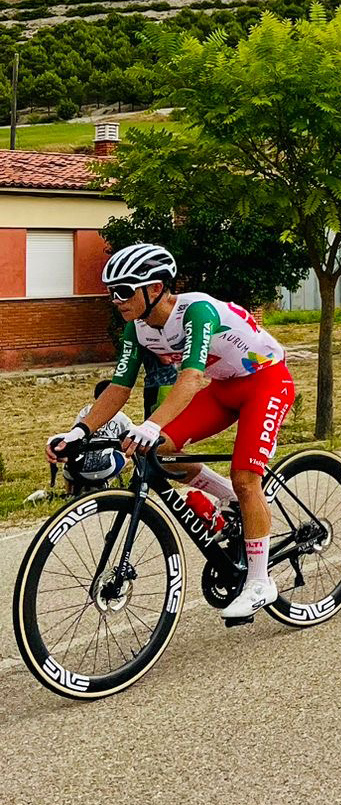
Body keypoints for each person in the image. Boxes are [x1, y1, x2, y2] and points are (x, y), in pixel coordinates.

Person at [45, 243, 296, 619]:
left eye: (124, 290)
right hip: (224, 388)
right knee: (158, 453)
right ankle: (231, 501)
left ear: (156, 288)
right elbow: (118, 387)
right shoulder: (137, 329)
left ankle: (260, 582)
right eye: (110, 292)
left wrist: (151, 423)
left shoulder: (196, 310)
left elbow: (192, 377)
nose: (116, 299)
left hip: (265, 381)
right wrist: (79, 432)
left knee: (246, 478)